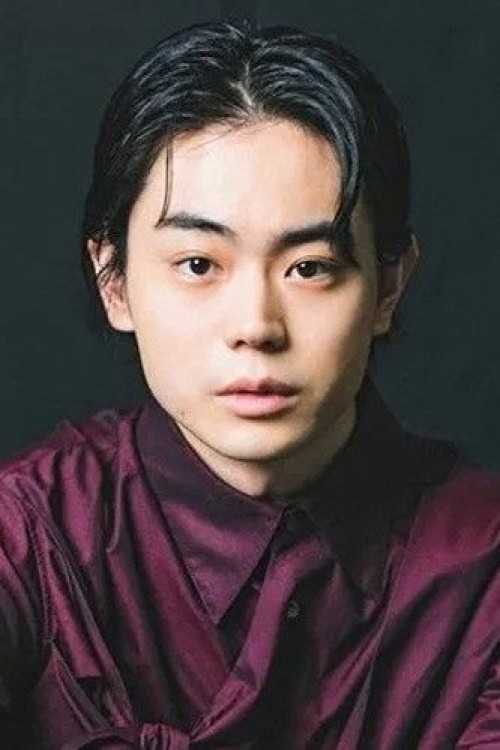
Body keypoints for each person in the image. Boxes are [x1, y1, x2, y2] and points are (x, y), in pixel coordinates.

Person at [0, 20, 498, 750]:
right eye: (199, 264)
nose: (256, 326)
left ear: (388, 286)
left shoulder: (481, 561)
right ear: (115, 283)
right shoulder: (26, 539)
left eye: (309, 268)